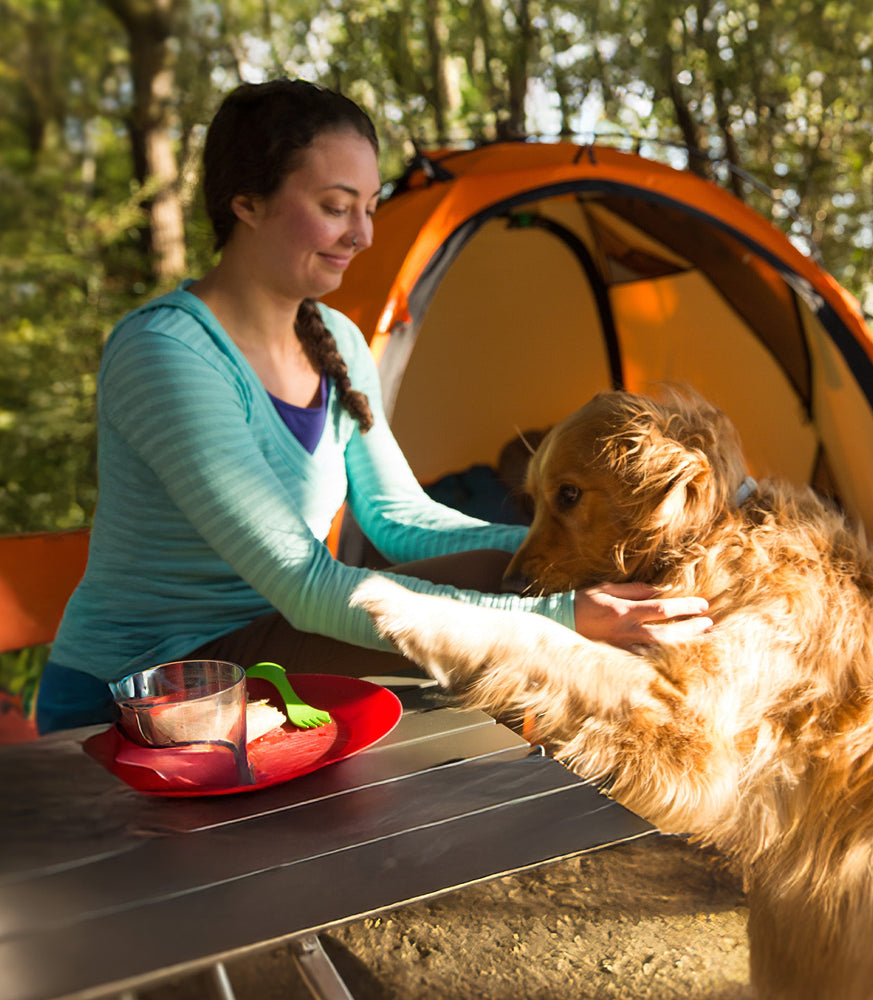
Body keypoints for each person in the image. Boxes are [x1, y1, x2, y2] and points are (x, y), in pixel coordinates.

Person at [35, 79, 711, 734]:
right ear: (247, 202)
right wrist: (561, 614)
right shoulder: (167, 354)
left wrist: (573, 553)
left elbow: (400, 521)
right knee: (522, 621)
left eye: (369, 205)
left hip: (266, 652)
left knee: (506, 574)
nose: (362, 235)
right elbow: (306, 585)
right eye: (336, 206)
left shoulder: (337, 341)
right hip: (143, 689)